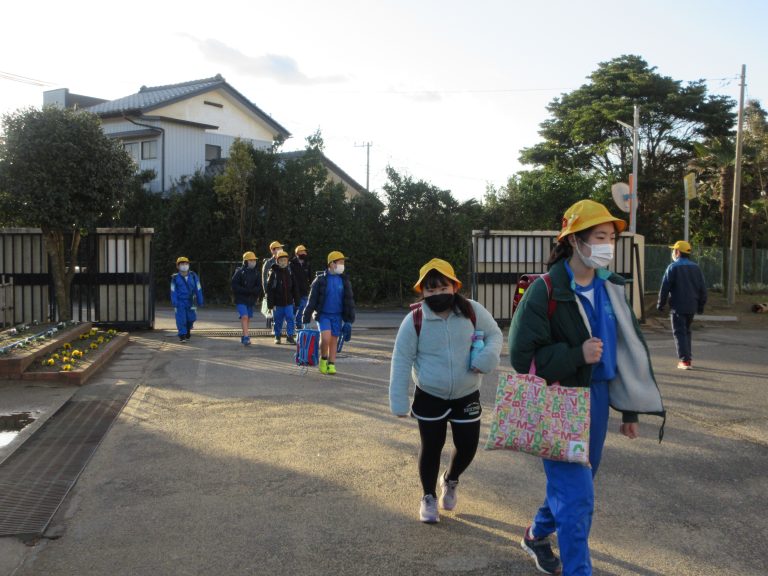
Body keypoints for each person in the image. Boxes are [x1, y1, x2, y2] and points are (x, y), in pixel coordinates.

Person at [508, 200, 665, 576]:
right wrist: (576, 354)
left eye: (611, 237)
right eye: (600, 236)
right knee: (578, 497)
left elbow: (624, 352)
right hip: (560, 400)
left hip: (596, 399)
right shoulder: (545, 290)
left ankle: (536, 533)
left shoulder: (612, 288)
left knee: (577, 483)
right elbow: (520, 356)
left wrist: (628, 410)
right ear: (575, 240)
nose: (608, 244)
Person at [390, 258, 502, 524]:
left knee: (467, 447)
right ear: (422, 292)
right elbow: (401, 359)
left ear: (454, 286)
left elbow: (495, 334)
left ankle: (450, 480)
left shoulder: (472, 311)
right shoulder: (415, 319)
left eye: (443, 288)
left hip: (467, 393)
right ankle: (428, 497)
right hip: (430, 394)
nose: (437, 294)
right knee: (431, 447)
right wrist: (398, 400)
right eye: (431, 290)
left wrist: (487, 358)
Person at [657, 240, 707, 370]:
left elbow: (665, 288)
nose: (673, 252)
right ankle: (687, 358)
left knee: (679, 332)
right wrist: (701, 306)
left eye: (674, 250)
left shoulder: (672, 267)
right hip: (692, 306)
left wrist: (660, 304)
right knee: (687, 332)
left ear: (678, 252)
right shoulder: (696, 268)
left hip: (678, 307)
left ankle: (685, 361)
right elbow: (702, 289)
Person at [302, 251, 355, 375]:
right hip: (323, 315)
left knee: (333, 340)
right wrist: (306, 318)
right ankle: (323, 359)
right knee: (325, 338)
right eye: (340, 262)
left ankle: (331, 364)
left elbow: (349, 301)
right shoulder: (320, 280)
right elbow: (312, 301)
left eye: (343, 263)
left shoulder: (344, 280)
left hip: (337, 315)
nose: (343, 265)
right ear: (331, 264)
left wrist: (349, 320)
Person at [266, 250, 301, 345]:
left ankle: (290, 336)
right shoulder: (273, 273)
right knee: (278, 321)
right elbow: (270, 290)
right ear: (277, 261)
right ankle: (277, 336)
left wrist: (297, 301)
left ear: (287, 261)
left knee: (290, 319)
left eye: (285, 260)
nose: (283, 262)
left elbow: (295, 288)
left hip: (289, 302)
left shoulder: (290, 273)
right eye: (281, 260)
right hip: (277, 303)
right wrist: (270, 304)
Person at [231, 251, 264, 346]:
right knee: (244, 316)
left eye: (254, 260)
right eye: (251, 260)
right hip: (241, 299)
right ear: (245, 262)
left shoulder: (257, 273)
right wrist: (245, 290)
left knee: (247, 318)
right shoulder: (239, 272)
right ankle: (246, 337)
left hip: (251, 300)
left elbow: (259, 286)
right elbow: (234, 285)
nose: (253, 262)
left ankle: (244, 334)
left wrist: (254, 292)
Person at [170, 256, 203, 343]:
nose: (184, 265)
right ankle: (182, 335)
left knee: (191, 318)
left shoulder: (193, 276)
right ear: (177, 266)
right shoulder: (175, 278)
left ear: (188, 265)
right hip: (180, 302)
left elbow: (198, 288)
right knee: (181, 319)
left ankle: (188, 329)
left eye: (186, 264)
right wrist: (174, 301)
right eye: (182, 264)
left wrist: (200, 299)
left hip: (191, 302)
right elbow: (173, 290)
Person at [290, 244, 312, 329]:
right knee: (295, 308)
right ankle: (292, 324)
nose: (304, 253)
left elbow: (310, 277)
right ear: (297, 253)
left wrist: (311, 286)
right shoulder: (292, 264)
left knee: (302, 307)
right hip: (294, 291)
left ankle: (298, 324)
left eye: (304, 252)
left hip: (304, 290)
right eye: (302, 252)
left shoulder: (307, 263)